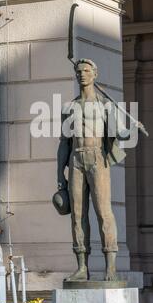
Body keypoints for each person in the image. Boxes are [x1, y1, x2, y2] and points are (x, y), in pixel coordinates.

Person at [57, 58, 134, 282]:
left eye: (86, 70)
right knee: (78, 215)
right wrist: (59, 176)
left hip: (97, 157)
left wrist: (129, 130)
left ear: (95, 74)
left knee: (103, 212)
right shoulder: (69, 107)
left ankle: (111, 266)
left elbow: (120, 132)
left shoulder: (105, 105)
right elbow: (64, 143)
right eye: (79, 71)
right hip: (76, 159)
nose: (82, 74)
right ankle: (82, 266)